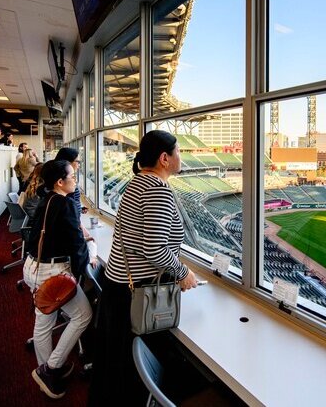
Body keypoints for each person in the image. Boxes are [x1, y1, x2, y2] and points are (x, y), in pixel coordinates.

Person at [88, 130, 198, 406]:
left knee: (113, 370)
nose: (180, 157)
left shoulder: (136, 183)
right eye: (178, 152)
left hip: (118, 289)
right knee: (128, 379)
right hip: (134, 296)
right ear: (165, 158)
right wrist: (184, 273)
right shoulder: (157, 190)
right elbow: (155, 249)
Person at [23, 160, 93, 399]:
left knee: (44, 322)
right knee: (83, 315)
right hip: (51, 273)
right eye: (72, 176)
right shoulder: (64, 204)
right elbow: (76, 242)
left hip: (32, 267)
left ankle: (48, 372)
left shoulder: (47, 200)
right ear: (60, 182)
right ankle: (51, 367)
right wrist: (88, 258)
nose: (76, 179)